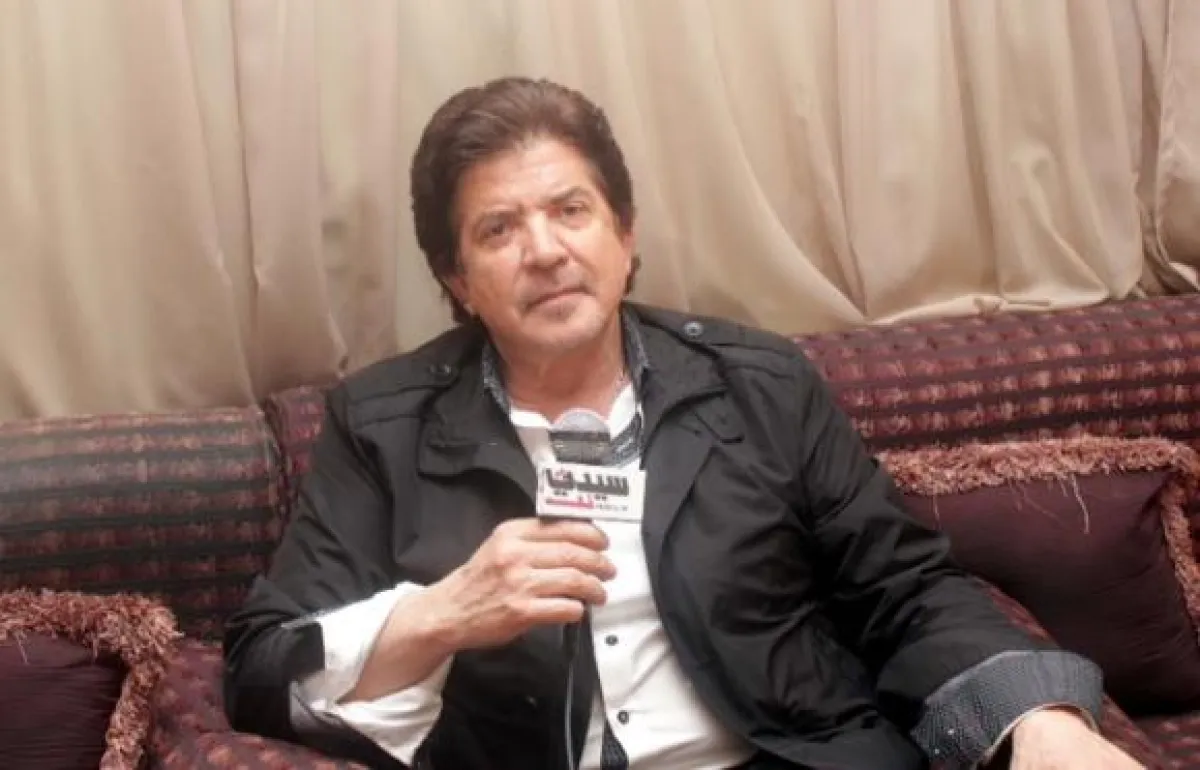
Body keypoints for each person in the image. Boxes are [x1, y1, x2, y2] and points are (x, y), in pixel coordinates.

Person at [223, 76, 1142, 770]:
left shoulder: (759, 383)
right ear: (458, 282)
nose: (545, 250)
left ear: (625, 236)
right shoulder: (382, 426)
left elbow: (903, 587)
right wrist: (440, 615)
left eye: (571, 211)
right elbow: (263, 666)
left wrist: (1038, 718)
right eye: (498, 230)